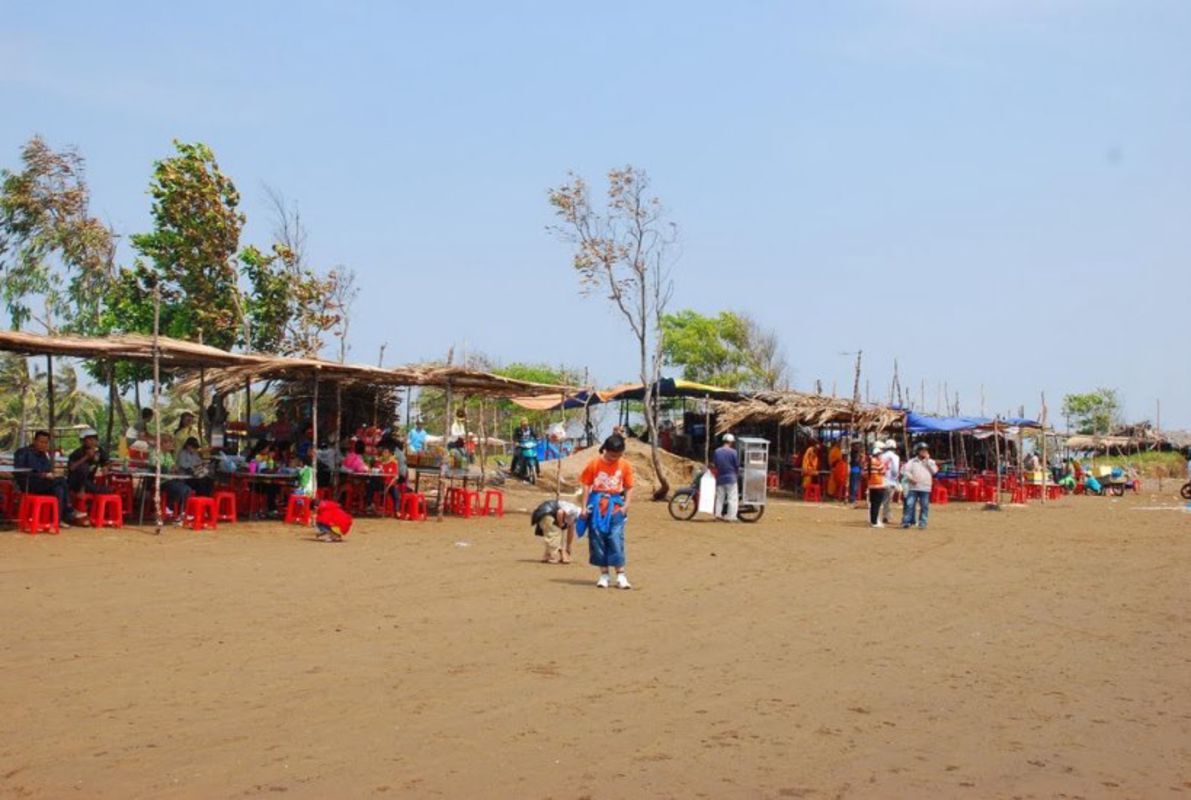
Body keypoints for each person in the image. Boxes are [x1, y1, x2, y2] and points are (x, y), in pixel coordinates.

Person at [579, 433, 634, 589]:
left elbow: (629, 487)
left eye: (618, 456)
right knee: (597, 539)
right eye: (612, 456)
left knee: (616, 539)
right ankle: (604, 574)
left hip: (616, 506)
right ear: (606, 450)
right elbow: (585, 485)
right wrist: (584, 507)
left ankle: (621, 576)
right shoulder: (594, 464)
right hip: (596, 506)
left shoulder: (625, 465)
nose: (614, 459)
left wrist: (626, 507)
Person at [17, 430, 85, 528]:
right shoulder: (23, 452)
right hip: (29, 484)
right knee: (61, 481)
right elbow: (20, 471)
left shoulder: (44, 455)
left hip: (43, 484)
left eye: (45, 443)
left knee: (59, 489)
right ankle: (69, 511)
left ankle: (57, 519)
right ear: (34, 441)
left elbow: (47, 469)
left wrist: (50, 475)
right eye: (41, 442)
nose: (43, 445)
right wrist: (42, 475)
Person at [66, 427, 114, 502]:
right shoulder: (77, 453)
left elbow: (107, 462)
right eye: (89, 439)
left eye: (94, 439)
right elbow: (71, 468)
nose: (92, 442)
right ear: (83, 441)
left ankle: (95, 491)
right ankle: (83, 491)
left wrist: (106, 467)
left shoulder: (99, 451)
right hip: (75, 482)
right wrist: (86, 457)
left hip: (88, 482)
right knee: (84, 467)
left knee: (92, 486)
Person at [531, 497, 581, 564]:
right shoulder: (574, 510)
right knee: (555, 534)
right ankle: (552, 556)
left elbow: (570, 530)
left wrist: (568, 546)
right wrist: (560, 525)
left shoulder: (574, 516)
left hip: (545, 514)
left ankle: (547, 555)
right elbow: (560, 512)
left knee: (552, 534)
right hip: (546, 513)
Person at [901, 442, 938, 529]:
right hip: (913, 487)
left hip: (925, 487)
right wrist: (911, 478)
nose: (924, 452)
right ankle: (906, 522)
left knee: (924, 506)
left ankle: (923, 523)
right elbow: (905, 471)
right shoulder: (912, 461)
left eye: (925, 450)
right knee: (910, 505)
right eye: (922, 450)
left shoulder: (931, 462)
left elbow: (935, 471)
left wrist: (928, 461)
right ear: (917, 451)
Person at [711, 433, 740, 522]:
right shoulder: (733, 452)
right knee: (732, 498)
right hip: (731, 478)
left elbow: (715, 464)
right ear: (731, 442)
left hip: (720, 478)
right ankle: (731, 516)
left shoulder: (717, 451)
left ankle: (718, 515)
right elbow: (737, 465)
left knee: (720, 498)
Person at [879, 439, 901, 525]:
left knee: (881, 499)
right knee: (887, 500)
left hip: (881, 479)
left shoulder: (881, 456)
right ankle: (886, 516)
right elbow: (895, 470)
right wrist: (895, 478)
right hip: (890, 480)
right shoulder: (895, 457)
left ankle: (882, 515)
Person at [866, 444, 887, 528]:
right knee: (877, 504)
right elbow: (883, 471)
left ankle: (873, 520)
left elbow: (864, 473)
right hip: (879, 485)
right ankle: (875, 522)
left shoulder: (868, 462)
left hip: (871, 485)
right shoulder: (878, 462)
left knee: (873, 504)